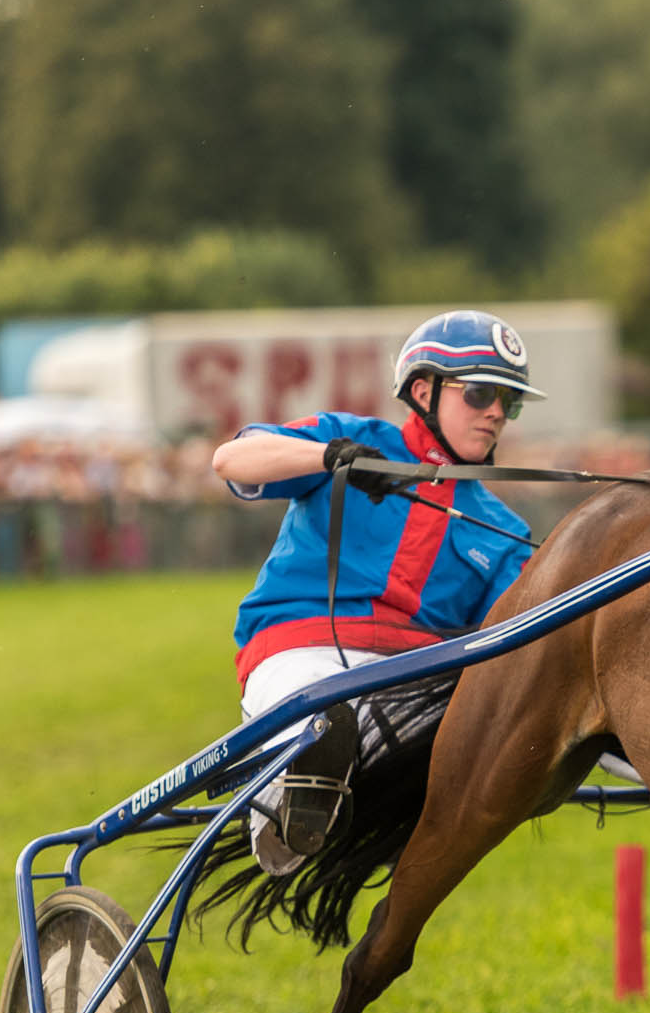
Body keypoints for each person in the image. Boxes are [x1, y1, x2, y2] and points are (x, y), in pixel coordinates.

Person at [210, 310, 543, 873]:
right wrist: (329, 458)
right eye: (480, 393)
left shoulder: (505, 530)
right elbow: (230, 460)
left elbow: (526, 642)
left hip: (412, 682)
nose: (495, 413)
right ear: (424, 391)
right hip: (302, 653)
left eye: (508, 403)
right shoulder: (354, 439)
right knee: (322, 720)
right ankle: (284, 820)